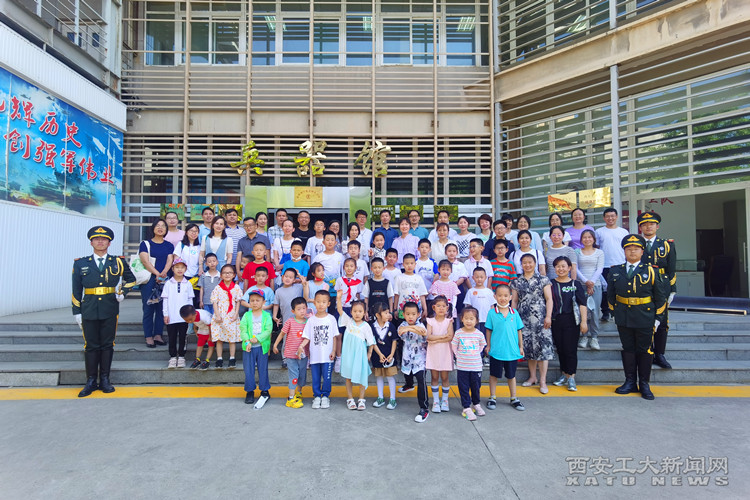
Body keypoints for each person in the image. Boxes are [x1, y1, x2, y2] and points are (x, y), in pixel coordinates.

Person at [72, 226, 136, 397]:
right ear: (91, 242)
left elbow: (131, 280)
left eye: (104, 239)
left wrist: (123, 292)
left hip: (109, 307)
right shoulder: (80, 263)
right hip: (89, 308)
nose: (100, 242)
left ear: (109, 243)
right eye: (96, 239)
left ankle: (105, 379)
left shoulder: (117, 261)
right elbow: (76, 289)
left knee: (108, 344)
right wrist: (77, 312)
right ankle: (91, 380)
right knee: (91, 345)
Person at [608, 234, 667, 400]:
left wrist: (658, 318)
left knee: (645, 350)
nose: (632, 252)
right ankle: (630, 382)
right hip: (624, 317)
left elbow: (660, 297)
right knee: (628, 349)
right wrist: (614, 313)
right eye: (629, 249)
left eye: (636, 249)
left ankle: (644, 383)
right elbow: (611, 296)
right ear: (624, 251)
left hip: (645, 316)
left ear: (642, 252)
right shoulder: (615, 271)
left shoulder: (651, 270)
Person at [638, 211, 677, 369]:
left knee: (662, 320)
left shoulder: (667, 244)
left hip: (662, 285)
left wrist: (672, 289)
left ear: (657, 226)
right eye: (645, 225)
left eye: (652, 224)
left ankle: (660, 354)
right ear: (640, 227)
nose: (648, 227)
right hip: (642, 285)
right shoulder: (635, 245)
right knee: (644, 319)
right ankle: (647, 352)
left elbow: (671, 268)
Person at [511, 254, 554, 394]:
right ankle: (532, 377)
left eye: (530, 262)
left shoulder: (543, 279)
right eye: (524, 262)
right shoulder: (516, 281)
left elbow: (549, 299)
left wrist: (548, 316)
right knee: (528, 348)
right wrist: (513, 318)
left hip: (541, 319)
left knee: (542, 349)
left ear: (535, 263)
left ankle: (543, 380)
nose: (527, 265)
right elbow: (514, 301)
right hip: (523, 319)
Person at [549, 256, 588, 392]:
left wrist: (584, 322)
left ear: (569, 268)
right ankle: (564, 374)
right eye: (558, 266)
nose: (560, 269)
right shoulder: (550, 284)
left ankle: (571, 377)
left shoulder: (575, 284)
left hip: (572, 321)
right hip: (556, 320)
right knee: (560, 349)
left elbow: (582, 304)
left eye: (563, 266)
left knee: (570, 349)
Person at [485, 284, 525, 411]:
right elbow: (489, 330)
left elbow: (519, 331)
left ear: (511, 297)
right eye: (500, 295)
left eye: (506, 295)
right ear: (495, 296)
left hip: (511, 351)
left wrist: (521, 347)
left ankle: (514, 398)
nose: (503, 298)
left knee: (511, 376)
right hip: (497, 351)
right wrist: (488, 345)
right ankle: (492, 397)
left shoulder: (514, 313)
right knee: (494, 375)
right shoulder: (492, 313)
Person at [299, 290, 340, 409]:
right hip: (315, 356)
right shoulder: (311, 320)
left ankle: (325, 396)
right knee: (315, 378)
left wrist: (333, 351)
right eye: (318, 301)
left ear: (328, 304)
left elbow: (334, 337)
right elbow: (307, 337)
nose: (321, 304)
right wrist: (301, 346)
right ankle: (317, 396)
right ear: (314, 303)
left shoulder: (331, 319)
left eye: (324, 302)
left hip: (328, 355)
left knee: (327, 378)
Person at [139, 218, 174, 348]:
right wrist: (157, 273)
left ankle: (158, 334)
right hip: (149, 280)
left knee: (161, 308)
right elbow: (145, 261)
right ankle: (148, 336)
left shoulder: (169, 245)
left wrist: (163, 273)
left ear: (166, 229)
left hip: (164, 280)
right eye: (158, 225)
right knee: (148, 308)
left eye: (163, 226)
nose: (160, 228)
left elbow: (170, 260)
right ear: (153, 228)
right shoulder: (145, 244)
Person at [451, 307, 487, 421]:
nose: (469, 321)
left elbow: (482, 344)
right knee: (464, 387)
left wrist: (477, 353)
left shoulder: (479, 334)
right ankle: (466, 407)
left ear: (477, 320)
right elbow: (454, 345)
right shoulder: (458, 333)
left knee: (476, 386)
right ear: (461, 319)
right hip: (462, 366)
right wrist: (457, 355)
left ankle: (476, 404)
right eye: (466, 318)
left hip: (476, 366)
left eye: (471, 319)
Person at [273, 297, 309, 408]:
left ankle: (299, 393)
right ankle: (291, 398)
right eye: (299, 309)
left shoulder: (309, 322)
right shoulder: (290, 321)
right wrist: (275, 345)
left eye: (304, 308)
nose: (302, 311)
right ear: (293, 311)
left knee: (302, 374)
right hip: (290, 354)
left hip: (303, 355)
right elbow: (282, 333)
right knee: (294, 375)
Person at [339, 301, 375, 410]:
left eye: (360, 311)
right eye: (355, 311)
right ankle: (350, 399)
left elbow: (371, 341)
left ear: (364, 312)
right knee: (348, 377)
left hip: (360, 355)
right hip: (348, 354)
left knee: (362, 376)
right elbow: (340, 310)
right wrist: (339, 298)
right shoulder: (348, 322)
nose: (357, 313)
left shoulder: (366, 326)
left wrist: (369, 353)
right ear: (351, 312)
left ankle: (361, 399)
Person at [240, 289, 273, 409]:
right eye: (252, 300)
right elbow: (243, 329)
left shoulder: (267, 316)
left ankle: (264, 390)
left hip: (261, 347)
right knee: (248, 370)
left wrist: (257, 338)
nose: (254, 303)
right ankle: (250, 391)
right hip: (248, 348)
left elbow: (268, 330)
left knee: (262, 369)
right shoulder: (246, 315)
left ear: (263, 302)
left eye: (257, 300)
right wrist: (247, 341)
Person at [398, 302, 430, 422]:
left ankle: (424, 408)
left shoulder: (422, 325)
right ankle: (409, 385)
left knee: (421, 381)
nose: (410, 317)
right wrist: (413, 329)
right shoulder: (402, 325)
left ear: (418, 314)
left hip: (420, 359)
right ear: (403, 314)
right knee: (407, 374)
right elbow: (400, 332)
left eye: (413, 314)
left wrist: (409, 328)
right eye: (407, 314)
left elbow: (423, 333)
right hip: (407, 358)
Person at [596, 208, 628, 322]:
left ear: (617, 217)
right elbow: (597, 248)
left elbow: (627, 248)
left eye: (612, 216)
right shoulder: (599, 231)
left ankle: (619, 312)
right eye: (608, 216)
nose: (610, 218)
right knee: (606, 290)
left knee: (620, 289)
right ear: (604, 218)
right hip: (605, 265)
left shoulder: (624, 232)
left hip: (620, 264)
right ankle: (605, 312)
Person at [161, 257, 194, 368]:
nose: (180, 270)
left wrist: (190, 315)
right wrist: (165, 314)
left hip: (184, 317)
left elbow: (190, 301)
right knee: (172, 337)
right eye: (177, 267)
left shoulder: (188, 284)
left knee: (183, 337)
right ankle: (172, 356)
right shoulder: (168, 284)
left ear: (185, 269)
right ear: (173, 269)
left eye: (182, 267)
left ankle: (181, 357)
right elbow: (165, 300)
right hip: (172, 316)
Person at [576, 230, 604, 350]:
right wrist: (586, 281)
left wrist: (591, 283)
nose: (587, 239)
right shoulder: (577, 252)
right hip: (581, 285)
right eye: (584, 237)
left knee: (594, 311)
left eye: (589, 237)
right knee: (583, 312)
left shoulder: (599, 252)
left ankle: (594, 337)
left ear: (593, 239)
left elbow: (599, 269)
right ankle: (584, 336)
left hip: (595, 285)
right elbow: (576, 269)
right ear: (581, 239)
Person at [426, 296, 454, 413]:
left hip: (445, 352)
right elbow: (428, 336)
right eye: (438, 306)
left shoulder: (449, 321)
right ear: (434, 307)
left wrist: (435, 339)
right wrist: (443, 336)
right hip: (433, 352)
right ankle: (436, 401)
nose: (441, 308)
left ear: (447, 308)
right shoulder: (430, 321)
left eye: (443, 306)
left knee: (445, 377)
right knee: (434, 377)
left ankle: (445, 400)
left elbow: (450, 337)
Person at [210, 264, 241, 369]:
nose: (227, 275)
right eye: (225, 273)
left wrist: (236, 314)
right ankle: (219, 358)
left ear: (234, 275)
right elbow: (214, 302)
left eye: (230, 273)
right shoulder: (218, 288)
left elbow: (237, 302)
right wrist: (217, 315)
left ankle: (232, 358)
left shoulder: (236, 287)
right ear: (221, 275)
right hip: (220, 314)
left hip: (231, 314)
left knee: (232, 338)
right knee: (219, 338)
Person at [463, 267, 495, 366]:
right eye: (477, 277)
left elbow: (492, 307)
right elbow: (468, 306)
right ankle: (476, 355)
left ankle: (486, 356)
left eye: (481, 277)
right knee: (475, 338)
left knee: (486, 338)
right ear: (473, 278)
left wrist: (493, 319)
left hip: (487, 320)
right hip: (474, 322)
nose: (479, 279)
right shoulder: (471, 291)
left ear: (485, 277)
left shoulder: (489, 291)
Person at [369, 303, 399, 409]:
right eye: (385, 313)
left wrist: (391, 354)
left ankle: (392, 399)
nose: (388, 315)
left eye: (388, 312)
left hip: (390, 357)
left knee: (390, 377)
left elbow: (394, 341)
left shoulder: (391, 326)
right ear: (378, 315)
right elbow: (373, 342)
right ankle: (380, 397)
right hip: (378, 357)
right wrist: (380, 354)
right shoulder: (372, 327)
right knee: (379, 376)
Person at [312, 231, 344, 312]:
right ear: (323, 242)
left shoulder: (340, 256)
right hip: (323, 290)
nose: (330, 242)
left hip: (336, 290)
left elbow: (343, 272)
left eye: (332, 240)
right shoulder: (318, 257)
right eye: (327, 240)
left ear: (336, 242)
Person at [393, 254, 428, 319]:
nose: (409, 265)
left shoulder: (419, 278)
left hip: (416, 311)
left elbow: (422, 295)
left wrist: (425, 309)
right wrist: (395, 309)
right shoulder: (399, 278)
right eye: (407, 263)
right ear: (403, 264)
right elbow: (397, 295)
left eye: (412, 263)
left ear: (415, 264)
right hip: (403, 310)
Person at [180, 304, 214, 370]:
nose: (189, 321)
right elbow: (195, 322)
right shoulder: (192, 316)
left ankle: (207, 360)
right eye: (186, 320)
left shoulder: (204, 316)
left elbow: (210, 326)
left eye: (190, 319)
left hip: (210, 329)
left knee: (211, 344)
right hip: (202, 328)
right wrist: (195, 329)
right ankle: (197, 359)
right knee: (200, 344)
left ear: (195, 314)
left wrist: (210, 336)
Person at [173, 223, 201, 298]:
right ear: (186, 232)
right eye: (191, 231)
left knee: (194, 299)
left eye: (196, 231)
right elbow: (176, 260)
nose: (193, 233)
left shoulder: (200, 246)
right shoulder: (181, 244)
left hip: (195, 277)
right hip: (183, 276)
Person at [272, 219, 300, 286]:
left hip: (293, 269)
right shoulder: (277, 240)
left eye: (289, 226)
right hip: (279, 270)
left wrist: (282, 266)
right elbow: (275, 255)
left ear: (293, 229)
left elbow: (297, 257)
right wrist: (277, 267)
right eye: (285, 226)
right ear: (282, 228)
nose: (287, 228)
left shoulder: (297, 240)